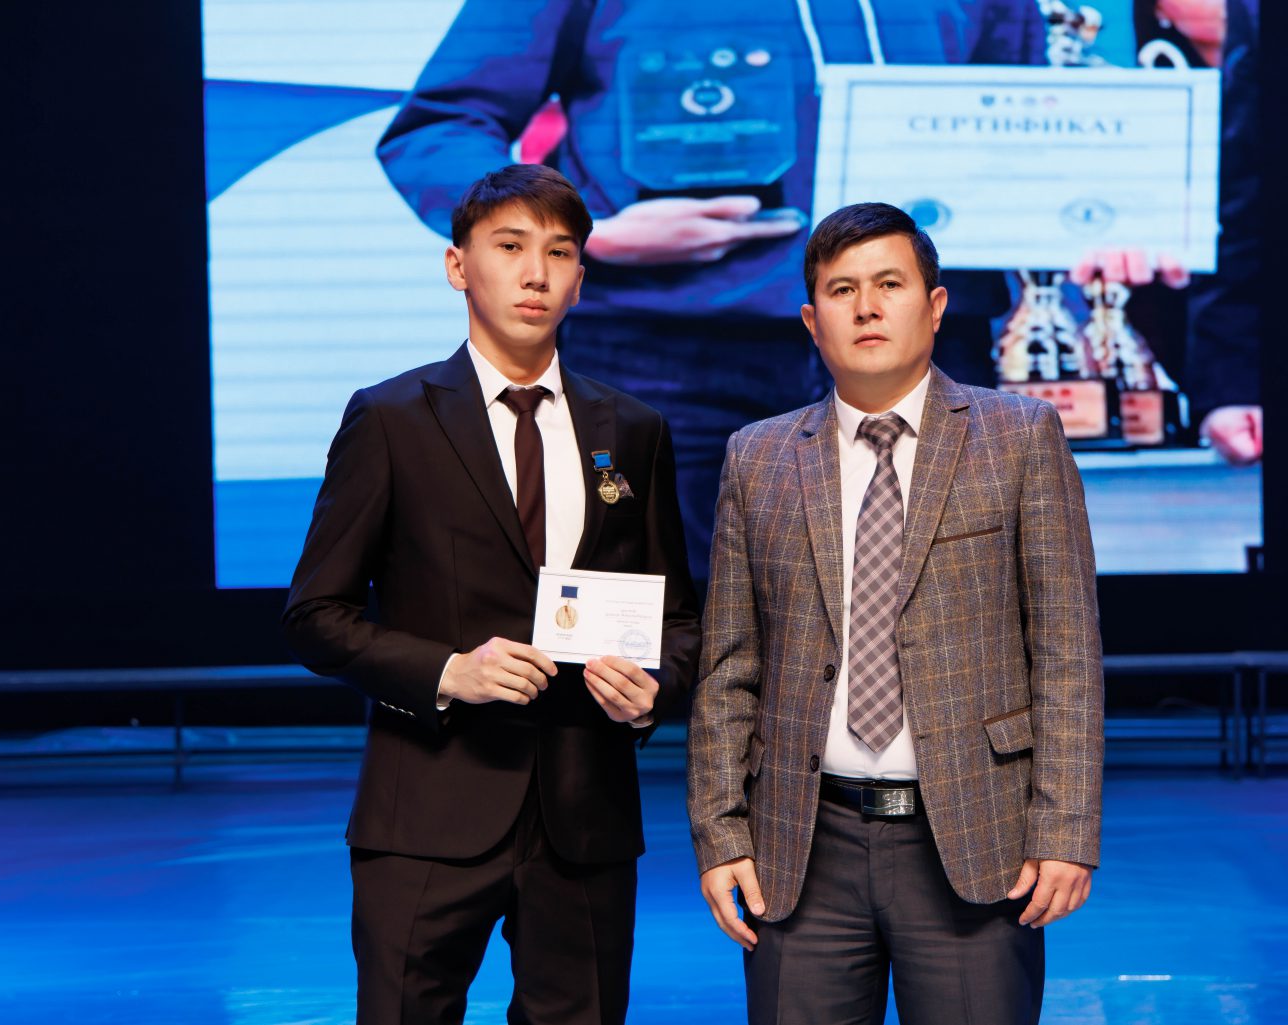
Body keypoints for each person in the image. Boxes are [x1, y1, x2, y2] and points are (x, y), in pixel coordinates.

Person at [376, 0, 1048, 579]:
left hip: (919, 344)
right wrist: (587, 233)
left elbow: (1027, 118)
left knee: (931, 623)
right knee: (650, 633)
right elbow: (440, 126)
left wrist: (1084, 219)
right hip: (668, 347)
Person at [283, 164, 701, 1025]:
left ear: (582, 278)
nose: (535, 273)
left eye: (560, 252)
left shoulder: (633, 430)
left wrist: (654, 687)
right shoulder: (391, 418)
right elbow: (316, 615)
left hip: (584, 814)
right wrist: (449, 671)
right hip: (426, 807)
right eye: (510, 247)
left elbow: (681, 622)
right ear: (457, 266)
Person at [687, 203, 1103, 1024]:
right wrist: (720, 831)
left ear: (936, 305)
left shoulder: (1019, 435)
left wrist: (1065, 827)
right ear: (812, 320)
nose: (867, 307)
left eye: (889, 284)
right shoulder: (759, 456)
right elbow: (729, 664)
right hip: (800, 846)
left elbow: (1066, 649)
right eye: (842, 290)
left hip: (976, 837)